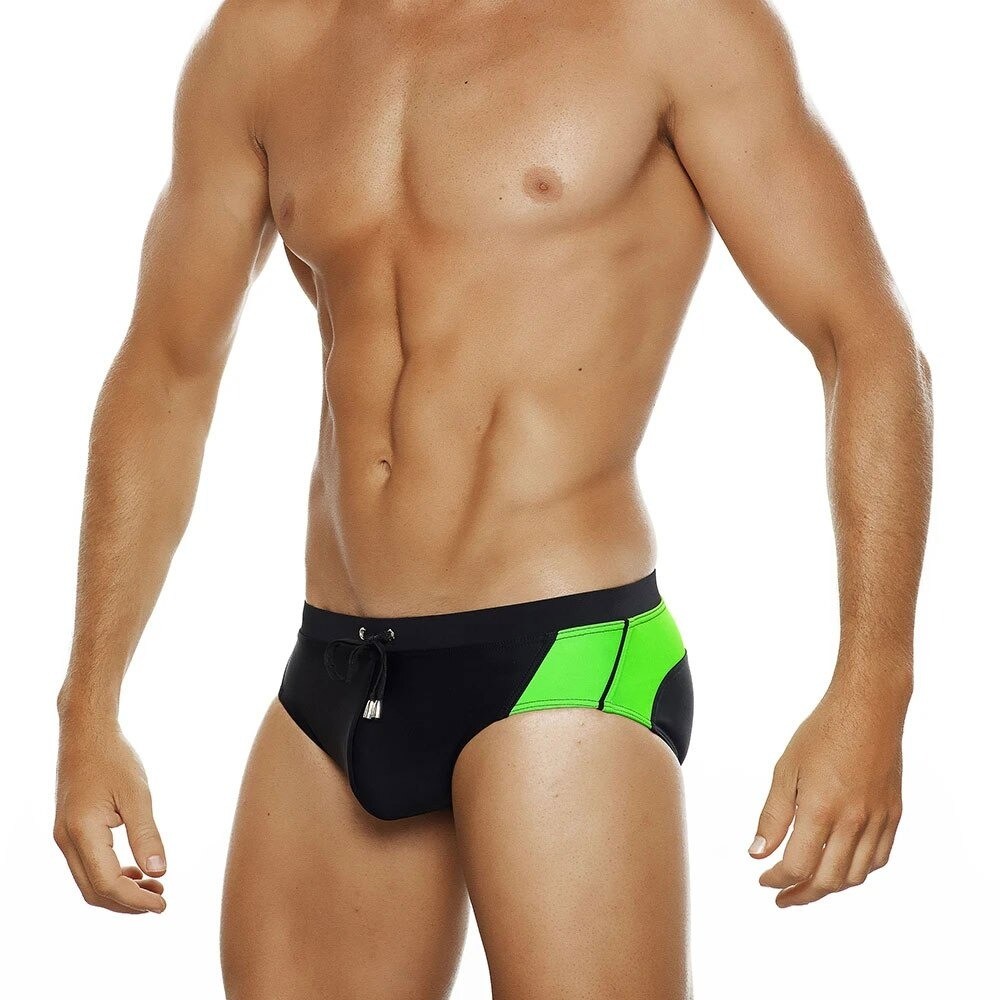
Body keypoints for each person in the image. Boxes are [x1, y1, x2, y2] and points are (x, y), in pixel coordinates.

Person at [53, 0, 932, 997]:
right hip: (336, 665)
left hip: (561, 652)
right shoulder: (268, 37)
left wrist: (875, 686)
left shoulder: (671, 24)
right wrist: (89, 705)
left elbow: (867, 340)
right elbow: (164, 377)